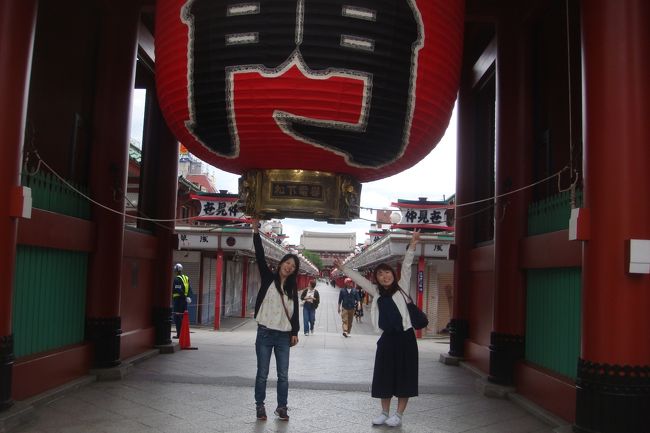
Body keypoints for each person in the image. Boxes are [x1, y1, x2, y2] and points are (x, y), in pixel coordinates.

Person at [334, 229, 421, 428]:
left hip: (406, 339)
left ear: (393, 274)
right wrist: (343, 268)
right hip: (387, 340)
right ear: (377, 278)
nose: (384, 276)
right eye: (380, 274)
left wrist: (413, 244)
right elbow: (359, 280)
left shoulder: (402, 287)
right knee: (384, 375)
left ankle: (398, 415)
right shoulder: (376, 293)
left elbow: (407, 266)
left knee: (404, 376)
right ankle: (384, 412)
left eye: (387, 272)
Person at [251, 219, 300, 422]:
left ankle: (282, 407)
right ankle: (260, 406)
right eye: (287, 263)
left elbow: (295, 311)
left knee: (283, 375)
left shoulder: (292, 288)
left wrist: (295, 332)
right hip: (264, 332)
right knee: (262, 373)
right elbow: (260, 255)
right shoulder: (268, 278)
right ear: (281, 264)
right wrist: (256, 231)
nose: (289, 267)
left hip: (283, 336)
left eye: (293, 266)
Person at [171, 263, 192, 339]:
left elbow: (178, 289)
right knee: (184, 317)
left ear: (176, 270)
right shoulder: (186, 278)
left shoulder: (177, 279)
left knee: (177, 317)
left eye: (175, 270)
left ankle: (179, 334)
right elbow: (189, 288)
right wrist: (188, 297)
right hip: (184, 301)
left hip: (178, 301)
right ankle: (183, 334)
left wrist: (185, 296)